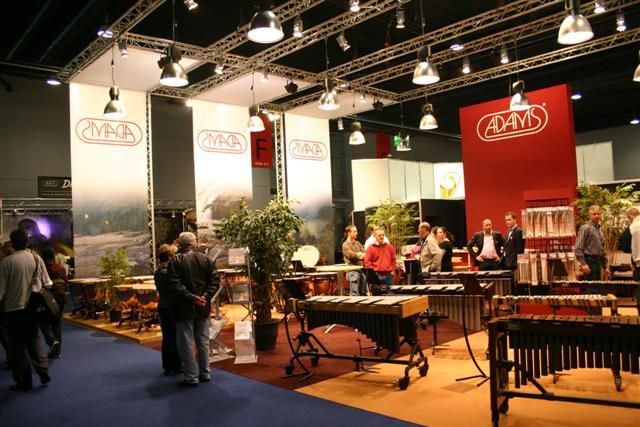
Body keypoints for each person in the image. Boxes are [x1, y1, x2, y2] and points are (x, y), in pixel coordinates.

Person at [0, 229, 52, 391]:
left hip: (13, 309)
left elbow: (1, 291)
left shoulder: (6, 262)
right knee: (34, 338)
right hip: (33, 307)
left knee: (18, 345)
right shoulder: (36, 258)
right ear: (27, 242)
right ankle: (42, 369)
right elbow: (47, 283)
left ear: (12, 243)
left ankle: (24, 381)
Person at [167, 232, 218, 388]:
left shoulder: (175, 261)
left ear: (180, 244)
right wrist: (205, 296)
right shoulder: (206, 259)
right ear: (194, 243)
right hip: (203, 306)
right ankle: (205, 373)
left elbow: (174, 284)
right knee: (203, 341)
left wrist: (191, 297)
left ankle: (191, 377)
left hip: (184, 308)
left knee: (186, 343)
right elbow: (215, 280)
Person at [154, 244, 181, 376]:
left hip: (163, 306)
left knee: (167, 338)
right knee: (175, 337)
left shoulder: (158, 272)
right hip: (171, 307)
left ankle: (168, 365)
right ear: (170, 257)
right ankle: (176, 365)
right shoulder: (168, 273)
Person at [38, 248, 67, 359]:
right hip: (60, 298)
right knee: (57, 324)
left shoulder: (42, 269)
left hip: (47, 299)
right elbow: (66, 282)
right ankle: (57, 352)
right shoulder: (60, 268)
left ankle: (51, 340)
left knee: (43, 322)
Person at [575, 205, 609, 280]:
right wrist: (583, 264)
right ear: (589, 215)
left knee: (597, 285)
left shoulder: (599, 230)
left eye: (598, 214)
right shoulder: (585, 228)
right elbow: (578, 247)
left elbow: (602, 250)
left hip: (598, 261)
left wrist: (605, 266)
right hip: (589, 260)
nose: (597, 216)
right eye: (594, 214)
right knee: (592, 285)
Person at [364, 228, 396, 294]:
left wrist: (393, 270)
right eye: (379, 235)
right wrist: (373, 274)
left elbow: (393, 259)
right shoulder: (370, 248)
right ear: (375, 236)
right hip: (377, 276)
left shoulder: (389, 247)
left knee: (391, 296)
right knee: (377, 296)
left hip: (389, 275)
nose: (382, 237)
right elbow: (367, 262)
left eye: (383, 235)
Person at [342, 225, 366, 295]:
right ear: (349, 233)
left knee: (363, 293)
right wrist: (359, 255)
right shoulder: (345, 245)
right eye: (354, 231)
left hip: (361, 270)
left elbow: (365, 254)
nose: (356, 233)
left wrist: (359, 255)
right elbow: (351, 256)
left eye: (356, 231)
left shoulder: (358, 243)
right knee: (354, 294)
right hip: (352, 272)